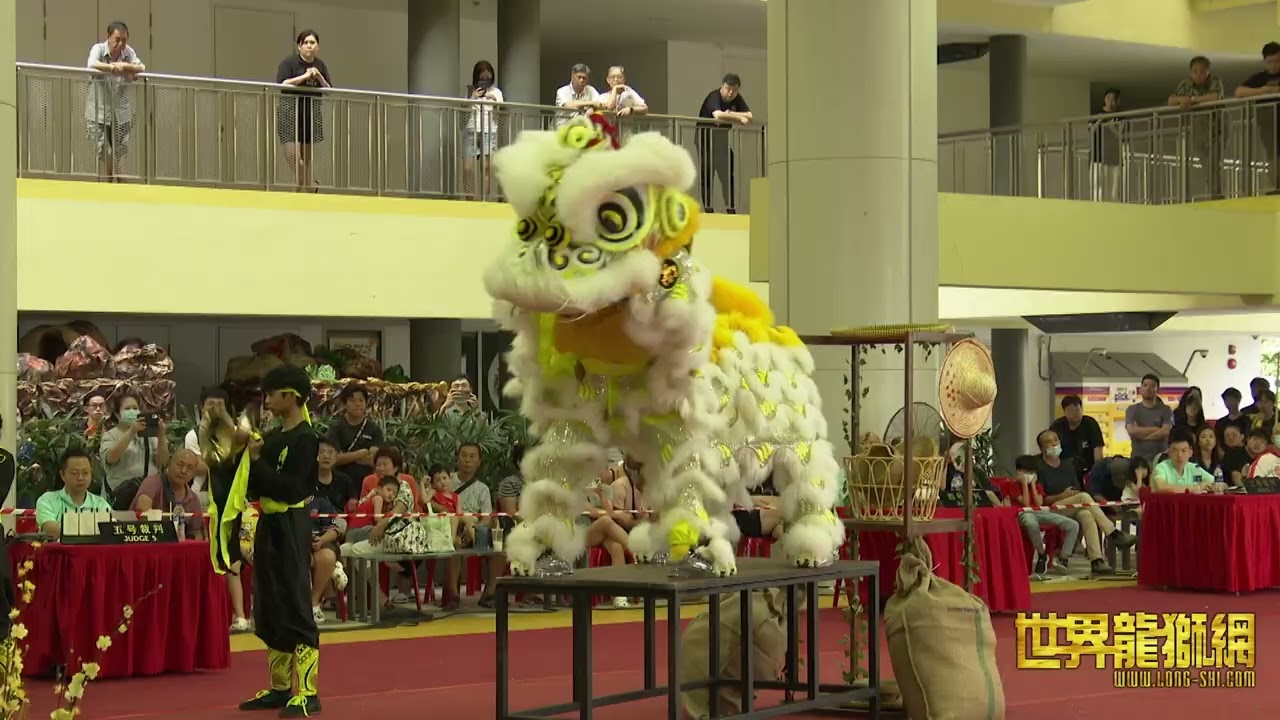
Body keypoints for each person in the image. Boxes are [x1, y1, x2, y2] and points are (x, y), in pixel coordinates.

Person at [226, 365, 322, 717]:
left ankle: (308, 692)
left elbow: (292, 488)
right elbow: (256, 483)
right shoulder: (275, 437)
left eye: (272, 394)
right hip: (269, 521)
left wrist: (255, 460)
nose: (266, 400)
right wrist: (244, 454)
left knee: (294, 600)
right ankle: (281, 688)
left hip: (291, 523)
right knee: (268, 602)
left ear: (291, 397)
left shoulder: (306, 438)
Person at [1036, 429, 1136, 575]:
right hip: (1050, 509)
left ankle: (1097, 561)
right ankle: (1114, 534)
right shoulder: (1040, 468)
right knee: (1084, 497)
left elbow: (1077, 489)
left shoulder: (1067, 465)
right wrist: (1062, 495)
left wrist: (1072, 495)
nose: (1053, 444)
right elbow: (1042, 500)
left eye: (1055, 440)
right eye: (1048, 442)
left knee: (1086, 514)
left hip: (1072, 507)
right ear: (1041, 448)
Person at [85, 21, 144, 181]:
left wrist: (124, 66)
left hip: (121, 112)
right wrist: (112, 68)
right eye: (117, 39)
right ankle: (109, 182)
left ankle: (120, 186)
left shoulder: (128, 52)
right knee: (105, 151)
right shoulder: (98, 49)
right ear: (108, 37)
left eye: (124, 40)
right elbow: (91, 64)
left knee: (121, 153)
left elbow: (141, 68)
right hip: (99, 111)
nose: (121, 44)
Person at [276, 30, 332, 191]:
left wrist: (319, 77)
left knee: (306, 158)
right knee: (293, 156)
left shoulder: (320, 65)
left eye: (312, 43)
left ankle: (301, 190)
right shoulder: (289, 63)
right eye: (306, 42)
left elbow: (329, 90)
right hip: (290, 111)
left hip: (311, 112)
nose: (309, 46)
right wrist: (304, 77)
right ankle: (311, 183)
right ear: (299, 46)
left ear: (318, 47)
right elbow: (282, 84)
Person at [1012, 455, 1077, 576]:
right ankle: (1042, 554)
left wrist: (1032, 486)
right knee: (1031, 523)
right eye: (1026, 472)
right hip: (1023, 513)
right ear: (1018, 472)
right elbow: (1026, 504)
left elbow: (1039, 503)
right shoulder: (1012, 486)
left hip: (1039, 512)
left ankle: (1063, 558)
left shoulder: (1037, 486)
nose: (1029, 475)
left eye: (1032, 472)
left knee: (1073, 525)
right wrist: (1025, 485)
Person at [99, 393, 168, 508]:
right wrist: (131, 432)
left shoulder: (150, 436)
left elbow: (163, 462)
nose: (132, 411)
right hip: (121, 496)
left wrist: (161, 436)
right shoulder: (110, 435)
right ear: (117, 413)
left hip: (148, 496)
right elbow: (111, 458)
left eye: (135, 408)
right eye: (127, 408)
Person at [697, 73, 752, 213]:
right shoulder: (713, 97)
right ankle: (708, 210)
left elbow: (750, 115)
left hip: (721, 140)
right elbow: (718, 115)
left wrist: (731, 114)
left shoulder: (737, 98)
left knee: (727, 175)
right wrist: (739, 117)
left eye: (734, 90)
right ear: (722, 87)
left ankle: (730, 209)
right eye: (728, 88)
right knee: (708, 175)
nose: (730, 93)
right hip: (705, 139)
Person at [36, 448, 112, 538]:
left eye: (85, 473)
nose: (80, 477)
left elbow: (109, 531)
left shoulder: (100, 503)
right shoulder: (47, 500)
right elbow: (51, 530)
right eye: (74, 473)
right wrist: (91, 530)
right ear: (62, 475)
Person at [130, 448, 204, 539]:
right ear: (169, 463)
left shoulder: (193, 498)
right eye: (180, 465)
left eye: (190, 468)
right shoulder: (152, 482)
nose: (183, 471)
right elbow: (142, 511)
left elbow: (196, 532)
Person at [326, 384, 382, 482]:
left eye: (361, 400)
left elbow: (373, 460)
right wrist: (362, 453)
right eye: (352, 400)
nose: (357, 404)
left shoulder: (374, 429)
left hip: (366, 482)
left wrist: (346, 457)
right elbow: (334, 459)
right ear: (344, 404)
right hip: (340, 482)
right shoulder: (336, 428)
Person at [463, 60, 503, 199]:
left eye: (488, 78)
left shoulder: (497, 92)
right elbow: (464, 109)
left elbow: (501, 111)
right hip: (472, 130)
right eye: (482, 78)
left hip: (489, 130)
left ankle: (484, 201)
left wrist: (493, 99)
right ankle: (469, 199)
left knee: (485, 168)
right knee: (468, 168)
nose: (485, 81)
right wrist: (473, 97)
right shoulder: (471, 90)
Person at [1049, 395, 1104, 483]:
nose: (1075, 413)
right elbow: (1051, 451)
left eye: (1078, 409)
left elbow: (1098, 452)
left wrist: (1097, 473)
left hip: (1088, 468)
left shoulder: (1090, 424)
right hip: (1064, 468)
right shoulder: (1057, 426)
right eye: (1071, 410)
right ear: (1064, 412)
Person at [1151, 432, 1221, 494]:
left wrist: (1211, 486)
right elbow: (1162, 488)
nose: (1179, 455)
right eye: (1175, 450)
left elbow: (1217, 483)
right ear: (1169, 452)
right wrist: (1194, 488)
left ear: (1190, 452)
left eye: (1184, 450)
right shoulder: (1161, 468)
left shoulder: (1195, 468)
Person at [1124, 374, 1172, 462]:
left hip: (1161, 459)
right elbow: (1132, 431)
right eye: (1145, 385)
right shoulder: (1132, 410)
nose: (1148, 388)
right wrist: (1156, 429)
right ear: (1140, 389)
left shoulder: (1166, 410)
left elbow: (1165, 431)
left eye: (1152, 386)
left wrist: (1141, 435)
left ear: (1157, 390)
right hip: (1138, 459)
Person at [314, 437, 355, 512]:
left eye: (330, 452)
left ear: (336, 456)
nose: (326, 456)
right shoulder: (306, 481)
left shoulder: (345, 480)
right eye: (321, 451)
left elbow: (353, 507)